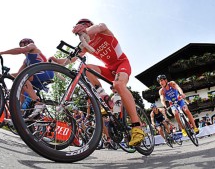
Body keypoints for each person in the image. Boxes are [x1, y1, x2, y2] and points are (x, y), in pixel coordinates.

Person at [50, 18, 145, 146]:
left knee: (118, 85)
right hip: (109, 69)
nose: (82, 29)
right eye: (80, 27)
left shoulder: (102, 30)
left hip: (122, 64)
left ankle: (137, 126)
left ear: (89, 25)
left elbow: (101, 26)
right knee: (86, 68)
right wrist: (56, 60)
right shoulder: (86, 44)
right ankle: (105, 98)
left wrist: (85, 30)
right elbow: (71, 59)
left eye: (84, 25)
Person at [0, 38, 54, 120]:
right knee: (20, 85)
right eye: (21, 46)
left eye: (23, 45)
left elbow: (20, 50)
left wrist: (1, 53)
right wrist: (5, 75)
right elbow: (18, 74)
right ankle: (21, 114)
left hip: (46, 72)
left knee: (23, 79)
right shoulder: (26, 61)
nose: (22, 48)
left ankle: (38, 103)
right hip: (36, 76)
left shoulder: (33, 47)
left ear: (27, 44)